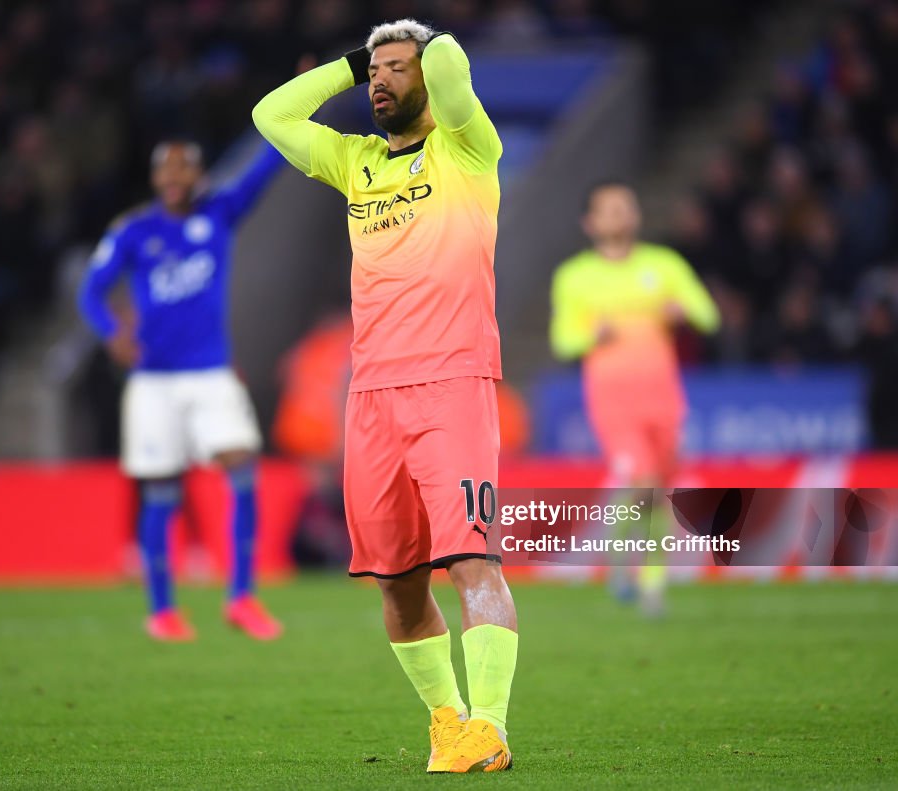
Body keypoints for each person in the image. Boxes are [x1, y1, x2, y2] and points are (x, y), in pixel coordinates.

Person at [253, 18, 518, 774]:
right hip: (370, 396)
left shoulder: (469, 149)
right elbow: (269, 116)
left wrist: (415, 42)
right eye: (375, 72)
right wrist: (350, 62)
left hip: (453, 384)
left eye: (396, 69)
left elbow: (454, 61)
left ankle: (491, 725)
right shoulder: (354, 163)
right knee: (397, 586)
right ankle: (449, 722)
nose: (380, 80)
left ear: (428, 79)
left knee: (472, 560)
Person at [78, 139, 284, 642]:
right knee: (162, 491)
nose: (174, 179)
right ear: (154, 180)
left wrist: (297, 111)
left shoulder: (219, 213)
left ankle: (240, 596)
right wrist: (111, 332)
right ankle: (162, 609)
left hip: (211, 370)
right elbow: (91, 291)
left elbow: (264, 171)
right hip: (154, 381)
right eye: (166, 171)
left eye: (183, 170)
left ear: (198, 176)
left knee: (242, 467)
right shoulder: (133, 231)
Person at [550, 181, 720, 614]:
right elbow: (563, 341)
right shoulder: (574, 276)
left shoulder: (664, 266)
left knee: (658, 489)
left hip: (662, 395)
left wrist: (682, 311)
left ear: (637, 215)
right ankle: (639, 577)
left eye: (625, 207)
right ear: (590, 223)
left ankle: (641, 571)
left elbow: (708, 314)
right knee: (639, 478)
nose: (619, 215)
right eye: (608, 209)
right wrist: (593, 334)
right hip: (612, 398)